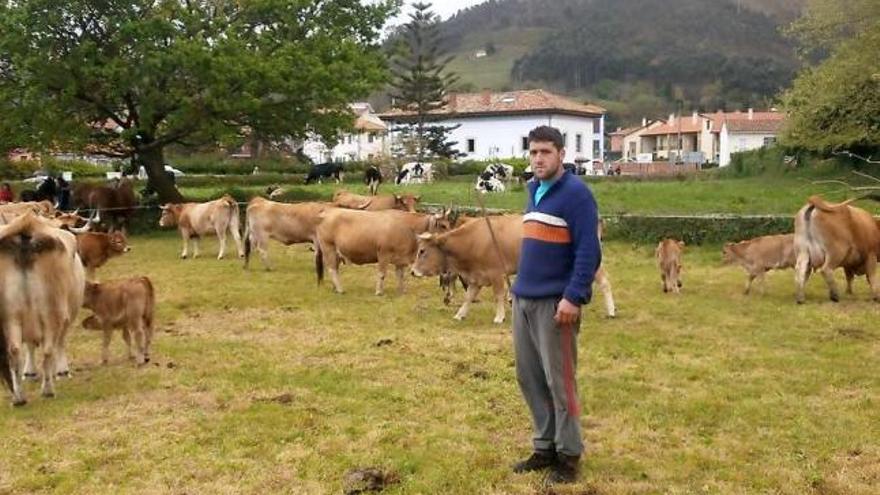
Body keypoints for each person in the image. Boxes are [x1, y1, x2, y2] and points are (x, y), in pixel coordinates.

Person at [510, 126, 602, 484]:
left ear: (561, 154)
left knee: (560, 380)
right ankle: (544, 445)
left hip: (555, 304)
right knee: (529, 377)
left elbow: (588, 251)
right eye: (533, 152)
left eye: (545, 152)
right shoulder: (533, 190)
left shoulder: (577, 195)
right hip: (524, 299)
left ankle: (569, 454)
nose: (538, 159)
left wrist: (573, 296)